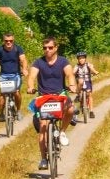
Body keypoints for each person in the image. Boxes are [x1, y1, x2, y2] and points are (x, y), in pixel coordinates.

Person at [27, 37, 77, 170]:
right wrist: (30, 86)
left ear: (56, 48)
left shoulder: (63, 61)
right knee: (43, 126)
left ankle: (62, 132)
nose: (47, 50)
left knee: (71, 110)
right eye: (45, 48)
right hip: (44, 97)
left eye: (50, 47)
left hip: (59, 95)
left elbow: (70, 74)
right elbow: (31, 77)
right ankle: (43, 159)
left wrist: (72, 84)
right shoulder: (38, 62)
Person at [0, 33, 28, 123]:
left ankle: (18, 111)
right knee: (2, 94)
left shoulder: (18, 48)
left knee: (16, 93)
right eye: (6, 41)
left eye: (11, 41)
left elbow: (23, 60)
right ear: (3, 41)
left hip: (16, 75)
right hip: (3, 75)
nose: (8, 42)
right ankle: (1, 113)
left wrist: (25, 69)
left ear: (13, 41)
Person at [74, 51, 97, 119]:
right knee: (80, 84)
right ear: (78, 59)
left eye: (83, 58)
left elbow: (92, 69)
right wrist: (72, 73)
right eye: (80, 58)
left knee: (89, 95)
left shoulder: (88, 65)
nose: (81, 60)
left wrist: (94, 72)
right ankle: (78, 95)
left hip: (87, 81)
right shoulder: (77, 66)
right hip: (79, 81)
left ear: (85, 59)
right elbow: (74, 71)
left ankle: (91, 111)